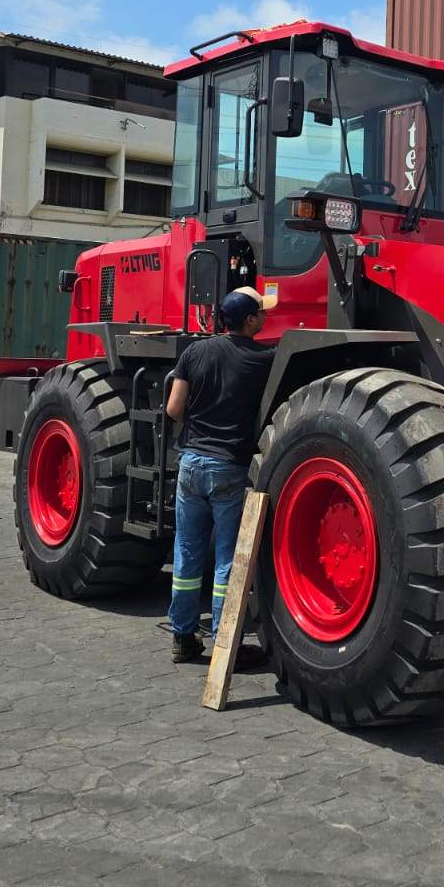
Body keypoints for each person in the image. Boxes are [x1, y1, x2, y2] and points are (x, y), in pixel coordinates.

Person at [164, 286, 277, 667]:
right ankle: (224, 642)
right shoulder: (264, 359)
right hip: (229, 467)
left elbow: (174, 408)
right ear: (249, 320)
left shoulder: (195, 351)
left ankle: (183, 637)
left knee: (187, 551)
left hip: (191, 464)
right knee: (227, 558)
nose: (265, 318)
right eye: (261, 312)